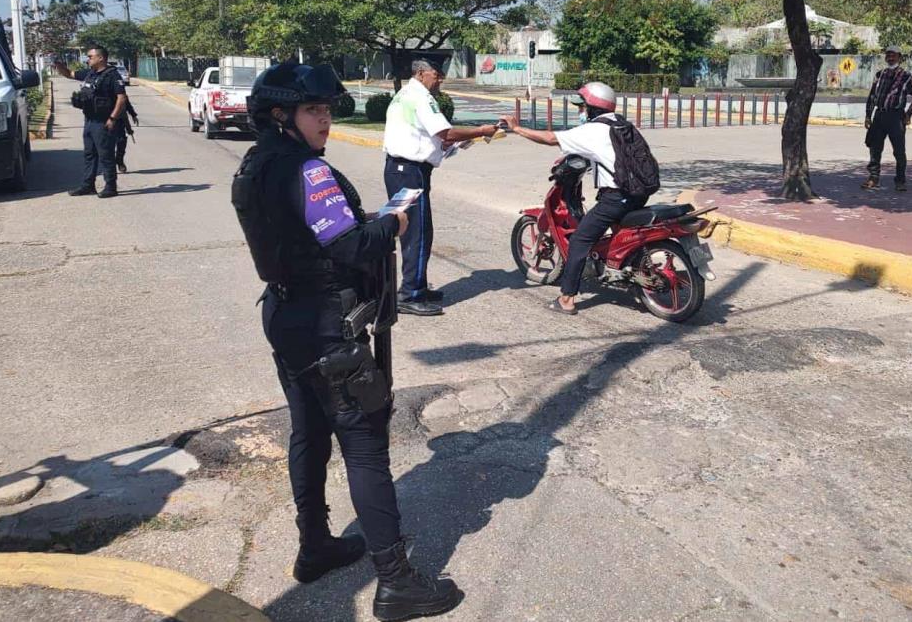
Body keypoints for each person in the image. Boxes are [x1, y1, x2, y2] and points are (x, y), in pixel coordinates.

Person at [231, 62, 461, 621]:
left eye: (329, 111)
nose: (326, 121)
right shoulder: (306, 171)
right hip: (329, 325)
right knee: (363, 447)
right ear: (281, 115)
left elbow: (308, 234)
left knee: (308, 433)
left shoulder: (253, 164)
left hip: (287, 315)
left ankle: (314, 546)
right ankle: (396, 581)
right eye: (314, 111)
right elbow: (352, 246)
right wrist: (395, 224)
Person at [504, 81, 653, 315]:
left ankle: (567, 299)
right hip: (638, 193)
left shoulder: (593, 130)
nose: (580, 111)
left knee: (580, 240)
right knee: (609, 228)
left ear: (592, 107)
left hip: (615, 198)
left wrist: (517, 128)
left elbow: (551, 138)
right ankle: (618, 267)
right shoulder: (622, 125)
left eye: (582, 107)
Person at [382, 59, 499, 316]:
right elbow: (444, 134)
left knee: (413, 230)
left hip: (401, 170)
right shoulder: (420, 97)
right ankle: (410, 294)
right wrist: (480, 130)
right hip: (410, 173)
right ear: (422, 73)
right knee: (417, 232)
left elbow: (432, 138)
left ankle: (417, 286)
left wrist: (464, 141)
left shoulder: (407, 94)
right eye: (437, 74)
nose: (440, 79)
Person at [53, 45, 127, 198]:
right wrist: (58, 64)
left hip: (104, 122)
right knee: (89, 155)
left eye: (90, 57)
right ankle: (88, 185)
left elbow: (121, 98)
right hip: (89, 120)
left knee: (106, 155)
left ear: (101, 58)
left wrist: (112, 118)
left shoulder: (112, 76)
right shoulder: (90, 74)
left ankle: (111, 187)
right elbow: (69, 74)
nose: (88, 59)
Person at [863, 45, 912, 192]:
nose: (890, 58)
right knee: (875, 148)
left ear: (899, 57)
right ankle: (873, 178)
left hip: (896, 116)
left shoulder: (906, 76)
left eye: (894, 55)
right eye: (888, 55)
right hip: (880, 115)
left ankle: (900, 181)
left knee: (899, 151)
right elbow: (872, 96)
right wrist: (868, 115)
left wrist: (909, 114)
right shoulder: (879, 75)